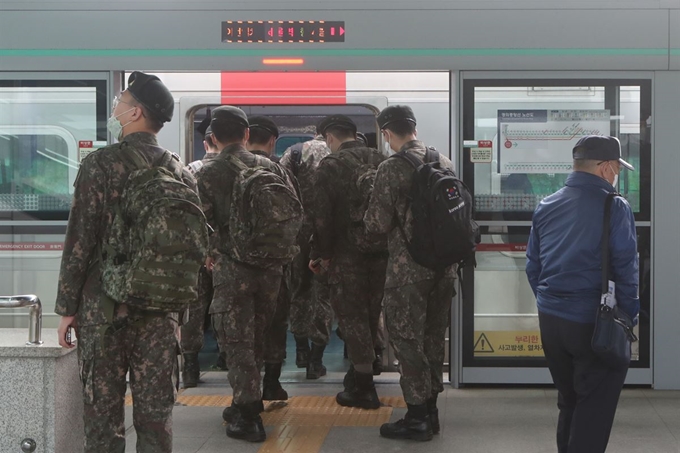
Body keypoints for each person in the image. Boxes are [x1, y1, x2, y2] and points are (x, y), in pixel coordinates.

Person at [55, 71, 193, 452]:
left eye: (122, 99)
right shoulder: (179, 170)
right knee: (155, 415)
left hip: (105, 310)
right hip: (162, 310)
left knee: (103, 414)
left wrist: (67, 307)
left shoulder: (100, 165)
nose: (116, 104)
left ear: (135, 113)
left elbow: (80, 241)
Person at [526, 135, 639, 453]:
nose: (616, 174)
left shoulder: (546, 205)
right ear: (605, 168)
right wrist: (627, 318)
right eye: (616, 168)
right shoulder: (614, 206)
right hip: (593, 324)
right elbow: (627, 269)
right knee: (594, 410)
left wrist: (551, 303)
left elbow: (533, 268)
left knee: (570, 401)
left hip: (551, 323)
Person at [197, 106, 294, 443]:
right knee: (256, 336)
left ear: (212, 138)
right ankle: (242, 401)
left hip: (231, 270)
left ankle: (250, 416)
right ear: (247, 134)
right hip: (271, 269)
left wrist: (210, 254)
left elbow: (199, 224)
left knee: (236, 341)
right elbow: (295, 214)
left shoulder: (208, 173)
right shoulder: (271, 167)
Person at [364, 105, 456, 441]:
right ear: (414, 128)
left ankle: (416, 416)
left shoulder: (391, 168)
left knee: (405, 339)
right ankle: (430, 411)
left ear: (387, 134)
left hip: (409, 270)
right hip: (444, 268)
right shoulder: (443, 161)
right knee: (432, 338)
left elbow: (376, 224)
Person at [311, 114, 388, 408]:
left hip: (346, 257)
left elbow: (322, 218)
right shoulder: (381, 159)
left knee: (352, 318)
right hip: (381, 253)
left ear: (330, 138)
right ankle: (361, 374)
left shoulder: (330, 166)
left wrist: (321, 255)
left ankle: (364, 387)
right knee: (371, 314)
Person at [279, 136, 333, 379]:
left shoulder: (294, 153)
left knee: (299, 290)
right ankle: (316, 358)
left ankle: (300, 350)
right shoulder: (337, 154)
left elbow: (281, 190)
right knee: (324, 296)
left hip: (298, 234)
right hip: (328, 234)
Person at [181, 116, 221, 388]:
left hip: (195, 253)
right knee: (225, 308)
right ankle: (228, 357)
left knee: (194, 310)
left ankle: (191, 367)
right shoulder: (240, 169)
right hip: (228, 254)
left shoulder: (189, 171)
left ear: (206, 143)